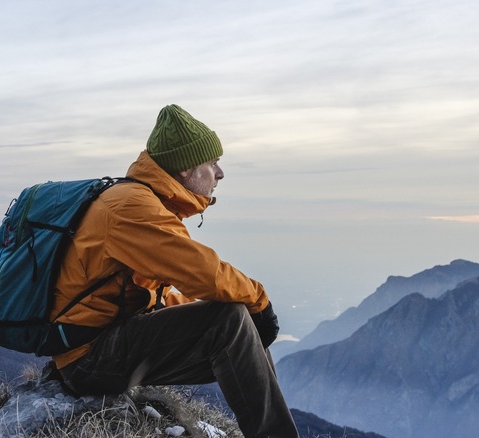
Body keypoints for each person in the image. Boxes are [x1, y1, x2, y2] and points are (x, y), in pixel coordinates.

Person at [50, 104, 299, 437]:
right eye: (213, 164)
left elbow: (153, 295)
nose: (220, 174)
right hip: (89, 360)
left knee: (240, 322)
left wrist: (237, 317)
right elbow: (204, 273)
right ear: (185, 169)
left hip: (103, 343)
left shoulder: (142, 202)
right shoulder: (133, 208)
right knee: (232, 319)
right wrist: (260, 301)